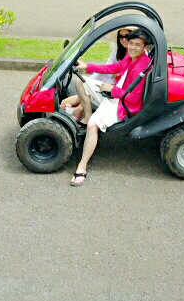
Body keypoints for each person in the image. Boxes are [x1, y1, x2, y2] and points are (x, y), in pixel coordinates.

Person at [69, 28, 153, 186]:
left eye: (138, 45)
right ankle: (87, 116)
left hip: (121, 104)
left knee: (93, 125)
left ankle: (82, 166)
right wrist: (88, 67)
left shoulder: (141, 67)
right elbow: (114, 68)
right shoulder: (131, 57)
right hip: (115, 93)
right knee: (80, 81)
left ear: (145, 48)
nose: (133, 47)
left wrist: (111, 89)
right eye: (131, 44)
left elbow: (134, 99)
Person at [59, 28, 132, 120]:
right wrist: (88, 71)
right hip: (109, 86)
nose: (123, 40)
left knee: (81, 93)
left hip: (116, 93)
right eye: (121, 37)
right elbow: (109, 68)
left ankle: (81, 114)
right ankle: (72, 110)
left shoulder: (135, 58)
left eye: (127, 36)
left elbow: (115, 72)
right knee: (74, 95)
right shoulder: (119, 53)